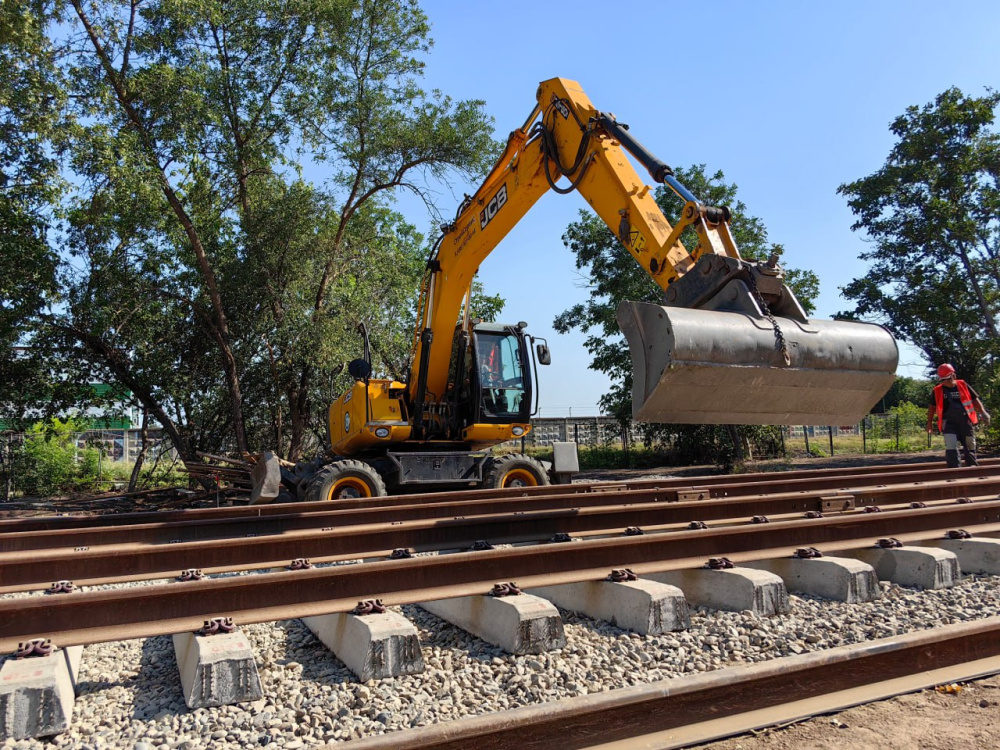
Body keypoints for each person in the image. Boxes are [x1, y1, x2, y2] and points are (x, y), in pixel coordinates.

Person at [926, 364, 991, 468]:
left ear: (953, 375)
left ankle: (972, 469)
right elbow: (932, 407)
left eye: (948, 378)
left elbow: (974, 399)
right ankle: (954, 470)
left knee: (970, 445)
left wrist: (983, 412)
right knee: (951, 447)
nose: (946, 381)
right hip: (949, 423)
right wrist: (929, 422)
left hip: (965, 421)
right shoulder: (937, 390)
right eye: (943, 379)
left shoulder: (963, 385)